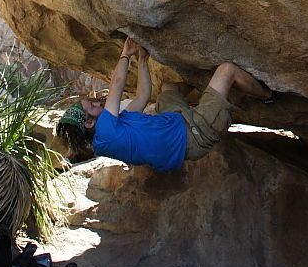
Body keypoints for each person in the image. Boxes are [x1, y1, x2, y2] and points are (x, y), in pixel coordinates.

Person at [57, 37, 272, 171]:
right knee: (227, 70)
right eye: (91, 107)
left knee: (169, 88)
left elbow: (143, 96)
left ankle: (211, 90)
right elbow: (117, 84)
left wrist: (142, 60)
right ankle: (268, 96)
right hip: (195, 133)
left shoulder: (112, 133)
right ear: (88, 123)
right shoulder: (105, 129)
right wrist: (125, 55)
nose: (96, 103)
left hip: (178, 120)